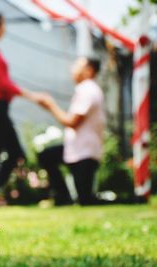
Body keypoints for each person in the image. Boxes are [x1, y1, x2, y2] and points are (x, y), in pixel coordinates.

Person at [0, 12, 45, 206]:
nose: (5, 28)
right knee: (10, 151)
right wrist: (32, 95)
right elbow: (3, 84)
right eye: (3, 24)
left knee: (0, 150)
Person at [39, 57, 105, 206]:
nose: (72, 69)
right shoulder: (86, 89)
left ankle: (132, 200)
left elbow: (72, 122)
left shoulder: (88, 90)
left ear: (89, 71)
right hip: (76, 148)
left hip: (84, 152)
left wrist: (51, 105)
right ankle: (63, 197)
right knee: (47, 156)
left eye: (77, 65)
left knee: (85, 200)